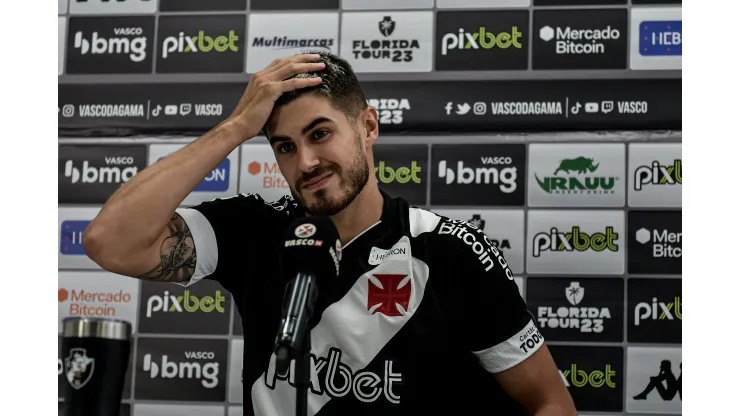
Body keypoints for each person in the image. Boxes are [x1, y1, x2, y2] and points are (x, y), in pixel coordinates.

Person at [84, 52, 577, 416]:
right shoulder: (255, 230)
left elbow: (549, 402)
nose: (307, 163)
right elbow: (110, 241)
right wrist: (236, 127)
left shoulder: (448, 250)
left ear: (368, 126)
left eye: (320, 134)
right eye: (284, 146)